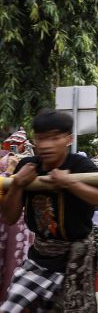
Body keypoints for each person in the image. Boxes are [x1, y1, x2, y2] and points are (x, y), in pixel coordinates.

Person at [0, 110, 98, 312]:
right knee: (11, 308)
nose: (46, 145)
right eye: (41, 138)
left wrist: (68, 183)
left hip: (76, 258)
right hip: (40, 257)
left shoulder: (79, 164)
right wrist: (18, 184)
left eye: (54, 138)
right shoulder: (27, 166)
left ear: (69, 139)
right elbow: (10, 218)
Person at [0, 129, 34, 302]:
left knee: (16, 261)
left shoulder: (28, 162)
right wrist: (10, 171)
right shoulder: (7, 161)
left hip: (19, 222)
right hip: (9, 221)